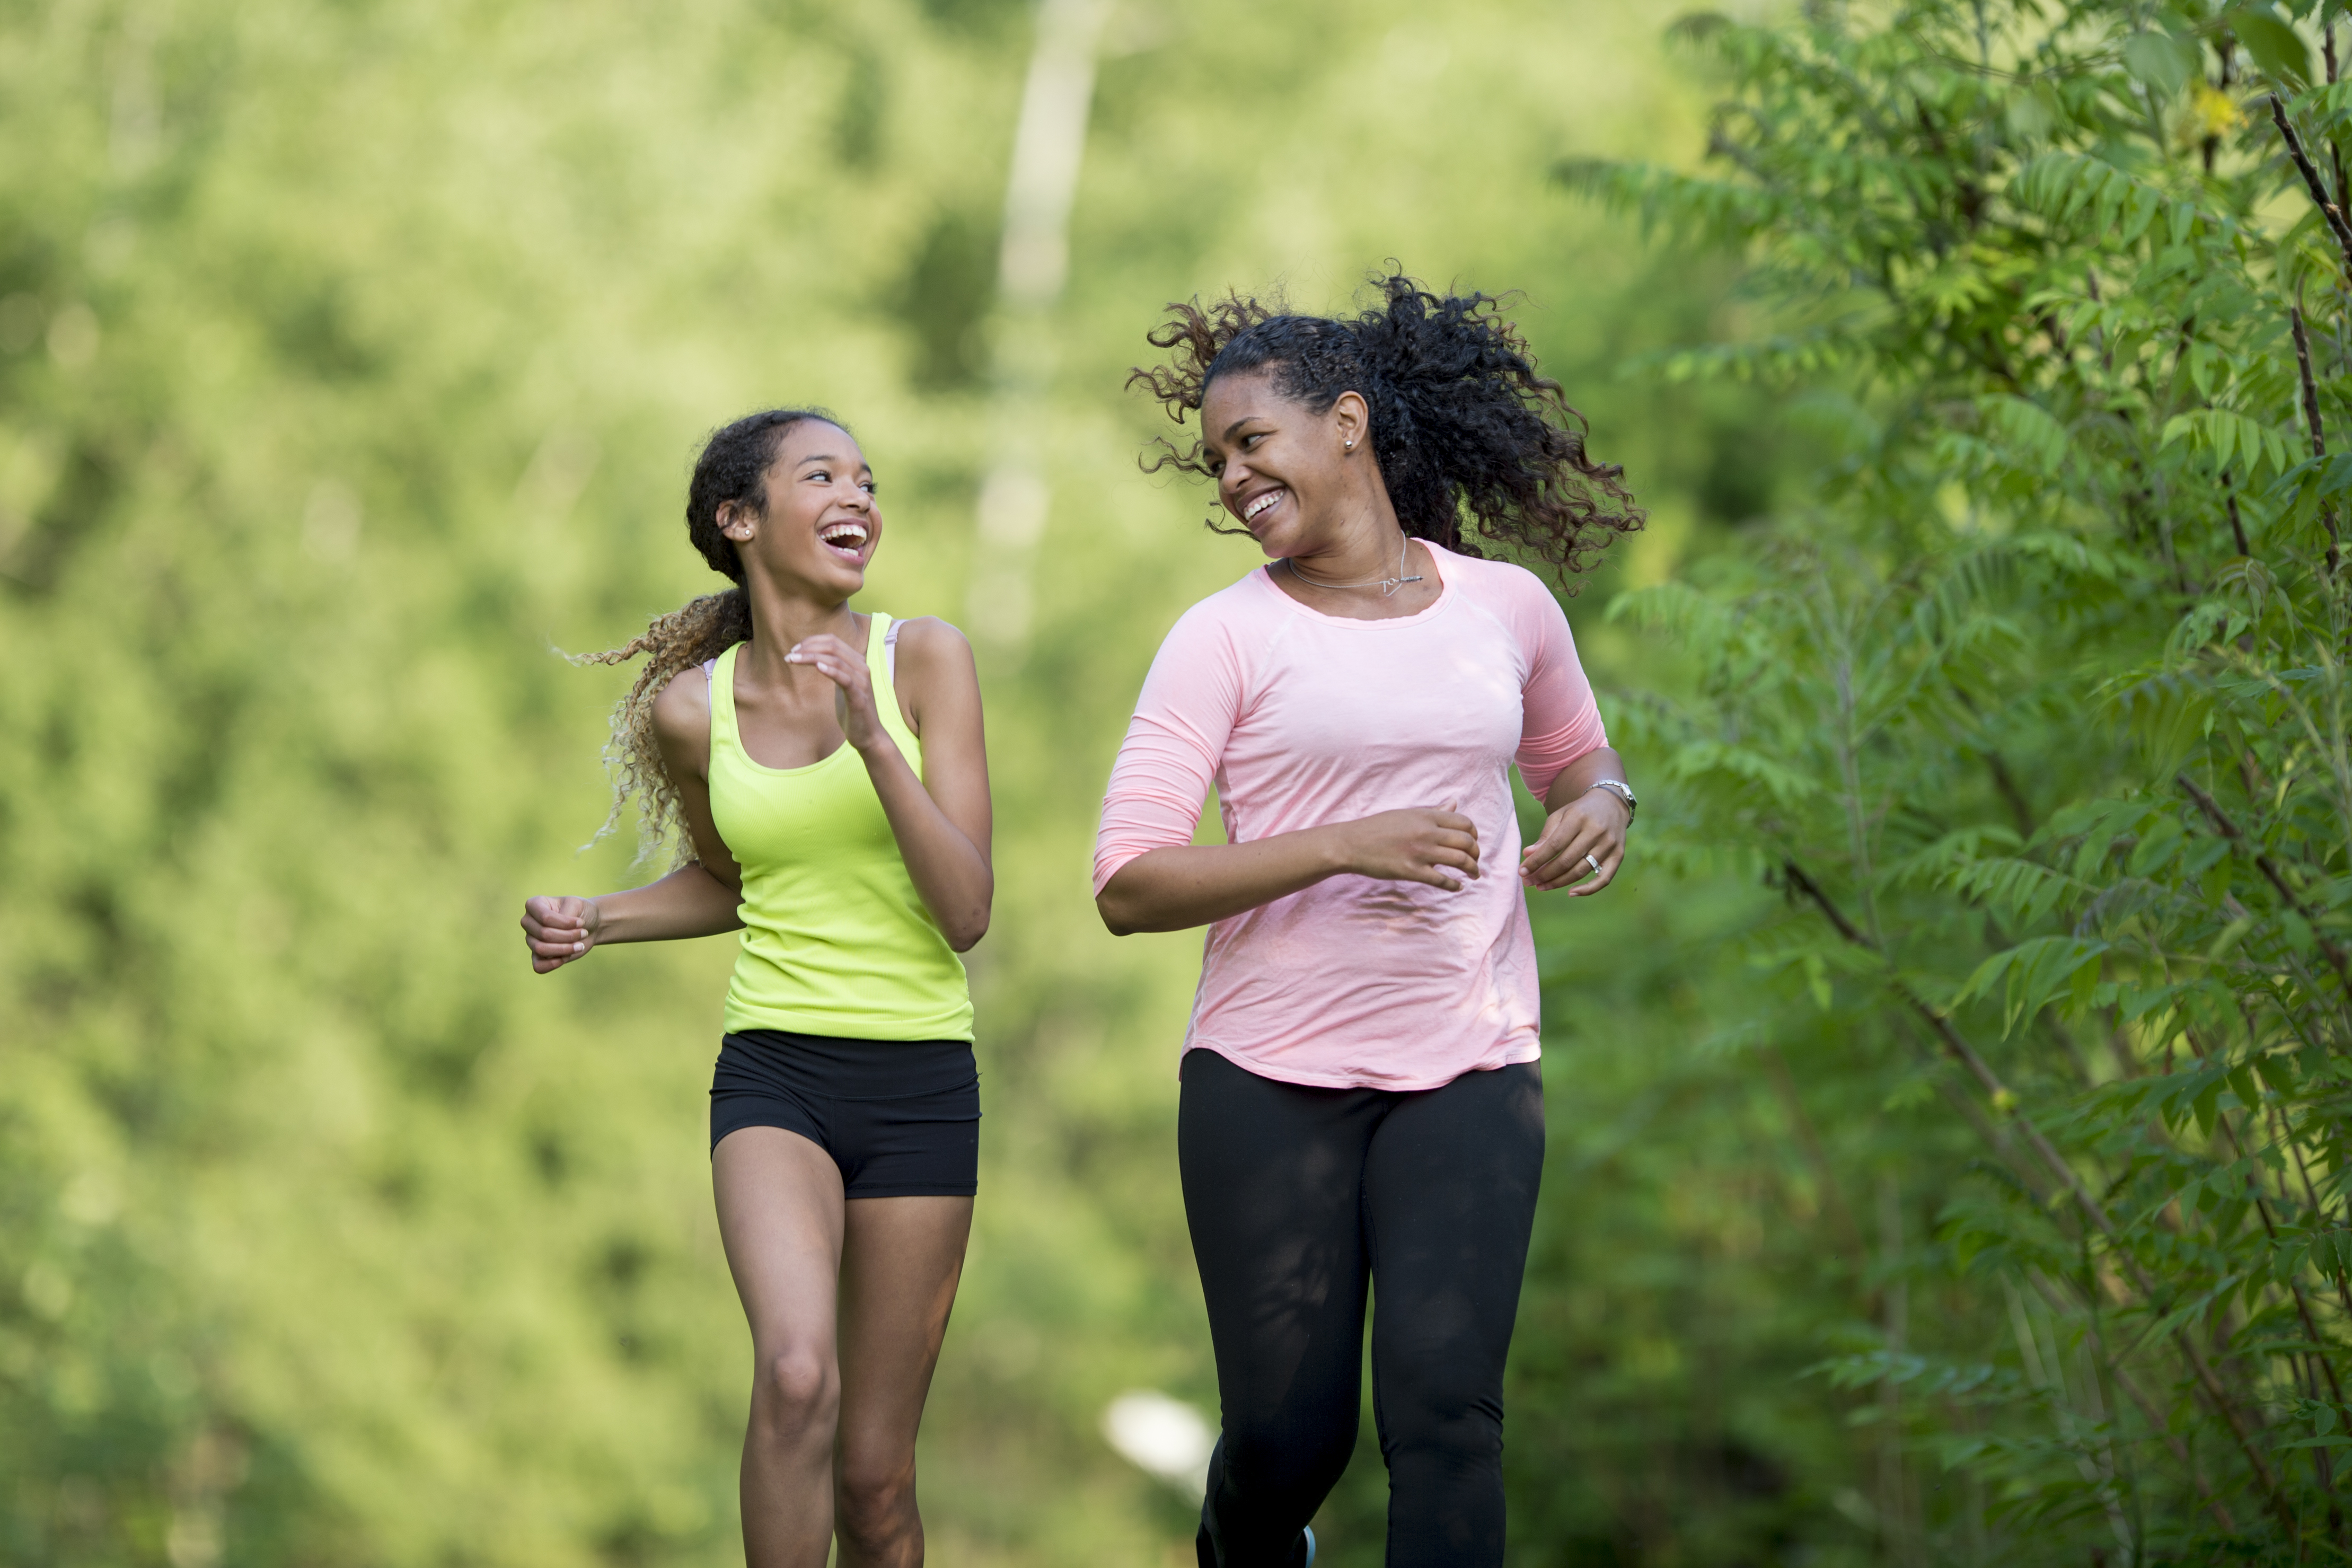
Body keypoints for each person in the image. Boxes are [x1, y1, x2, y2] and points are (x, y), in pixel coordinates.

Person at [1096, 277, 1642, 1567]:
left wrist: (1604, 806)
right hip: (1267, 1076)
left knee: (1448, 1421)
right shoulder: (1218, 638)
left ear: (1346, 424)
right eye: (1217, 459)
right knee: (1289, 1440)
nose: (1230, 479)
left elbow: (1579, 759)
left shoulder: (1504, 608)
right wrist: (1341, 845)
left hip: (1470, 1059)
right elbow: (1128, 881)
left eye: (1251, 444)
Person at [519, 408, 991, 1568]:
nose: (858, 498)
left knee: (874, 1484)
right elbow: (732, 881)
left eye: (867, 481)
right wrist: (600, 920)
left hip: (920, 1083)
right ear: (739, 520)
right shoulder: (694, 712)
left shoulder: (923, 659)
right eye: (821, 475)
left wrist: (875, 741)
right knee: (792, 1376)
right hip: (776, 1073)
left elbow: (967, 910)